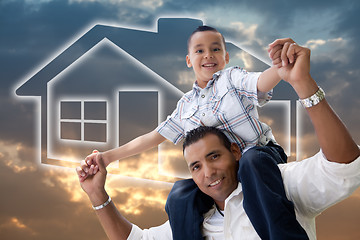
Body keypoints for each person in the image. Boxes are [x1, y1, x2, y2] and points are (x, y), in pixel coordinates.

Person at [76, 39, 360, 239]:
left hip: (261, 160)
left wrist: (295, 77)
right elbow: (151, 138)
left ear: (225, 58)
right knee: (179, 193)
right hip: (234, 170)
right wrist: (100, 185)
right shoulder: (186, 108)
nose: (207, 171)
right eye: (195, 166)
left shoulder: (278, 183)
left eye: (214, 157)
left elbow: (343, 168)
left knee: (253, 161)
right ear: (189, 60)